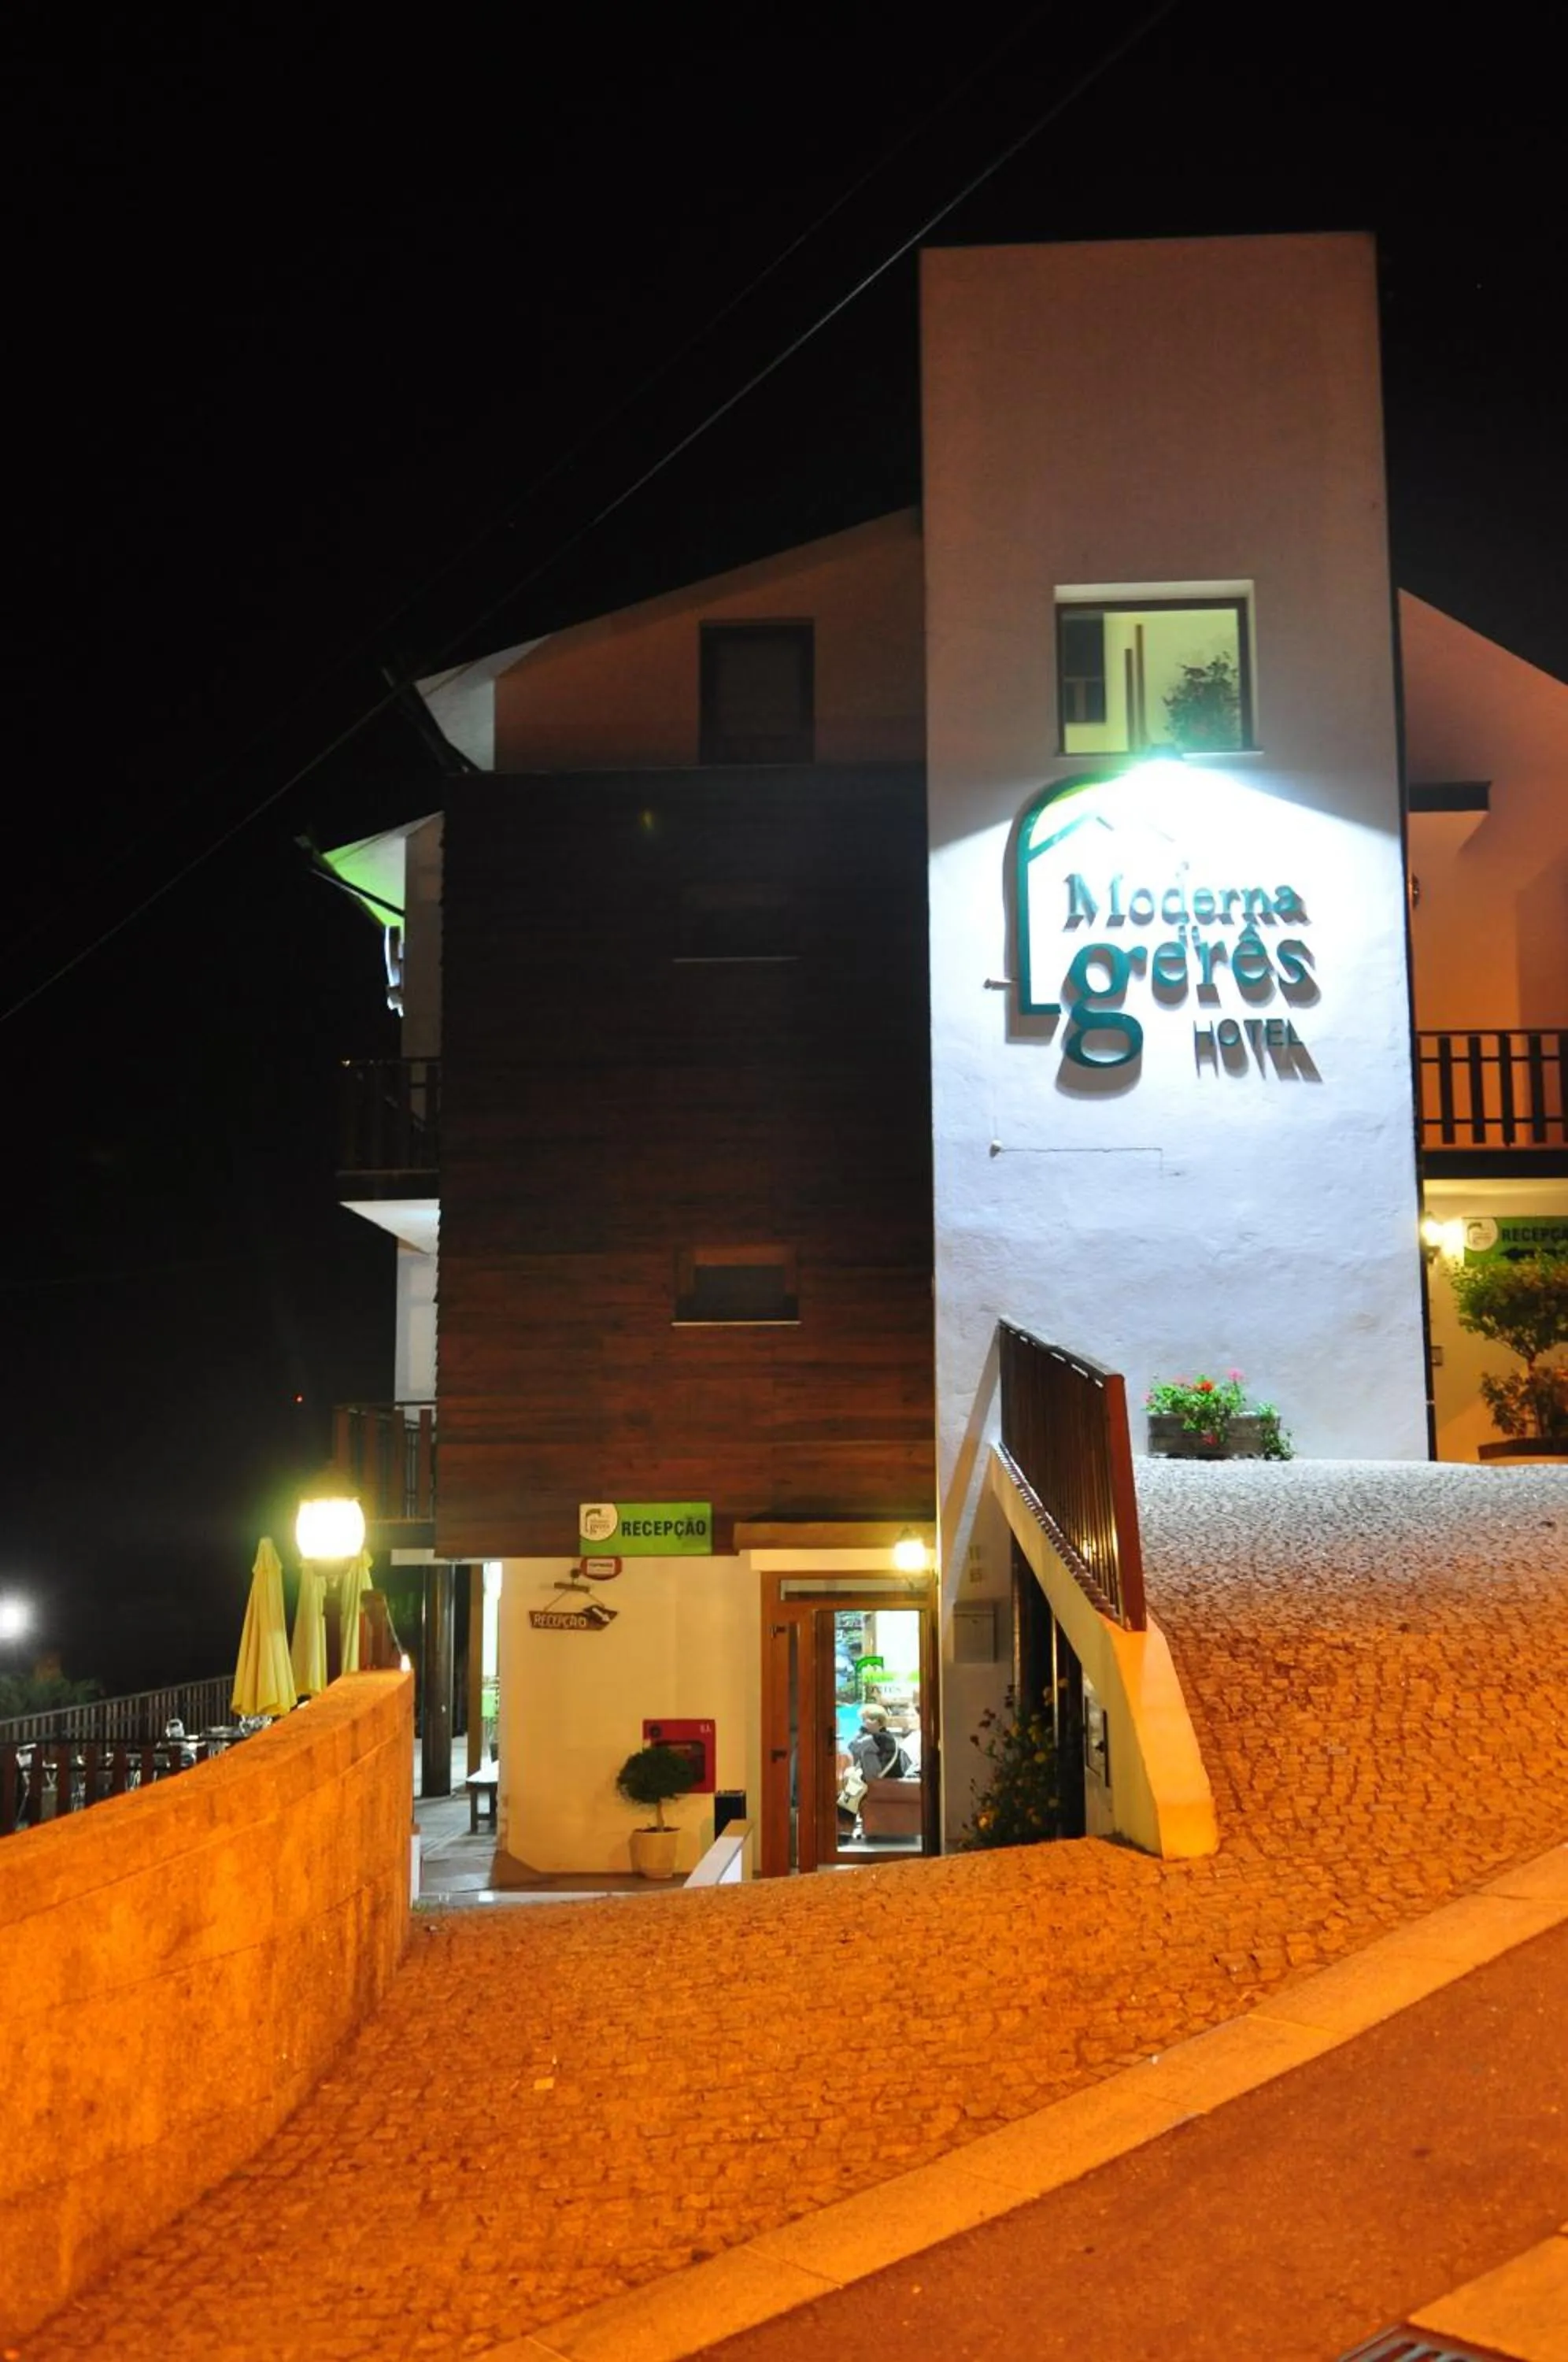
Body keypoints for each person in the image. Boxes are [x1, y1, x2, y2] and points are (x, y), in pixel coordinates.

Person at [848, 1704, 908, 1782]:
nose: (863, 1723)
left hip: (883, 1785)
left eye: (864, 1720)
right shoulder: (887, 1736)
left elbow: (853, 1746)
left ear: (875, 1721)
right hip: (888, 1783)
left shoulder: (880, 1738)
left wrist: (862, 1730)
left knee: (868, 1754)